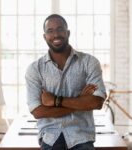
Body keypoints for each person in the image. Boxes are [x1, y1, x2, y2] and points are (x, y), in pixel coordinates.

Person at [25, 14, 106, 150]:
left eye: (60, 29)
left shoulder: (89, 62)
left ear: (67, 32)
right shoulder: (35, 69)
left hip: (82, 137)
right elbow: (37, 111)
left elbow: (97, 102)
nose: (56, 34)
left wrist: (56, 101)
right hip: (50, 137)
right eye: (50, 31)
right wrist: (81, 101)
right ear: (44, 36)